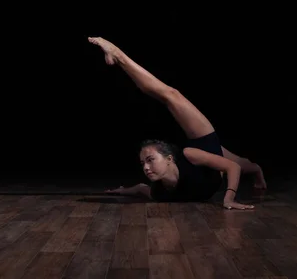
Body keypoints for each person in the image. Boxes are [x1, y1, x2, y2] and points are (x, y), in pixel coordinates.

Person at [88, 37, 266, 210]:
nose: (146, 167)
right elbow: (141, 189)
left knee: (171, 96)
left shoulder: (190, 155)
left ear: (169, 159)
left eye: (149, 160)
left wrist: (229, 199)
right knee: (243, 165)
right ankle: (257, 169)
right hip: (211, 157)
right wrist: (123, 191)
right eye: (143, 163)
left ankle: (117, 54)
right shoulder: (161, 192)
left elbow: (231, 168)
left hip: (202, 139)